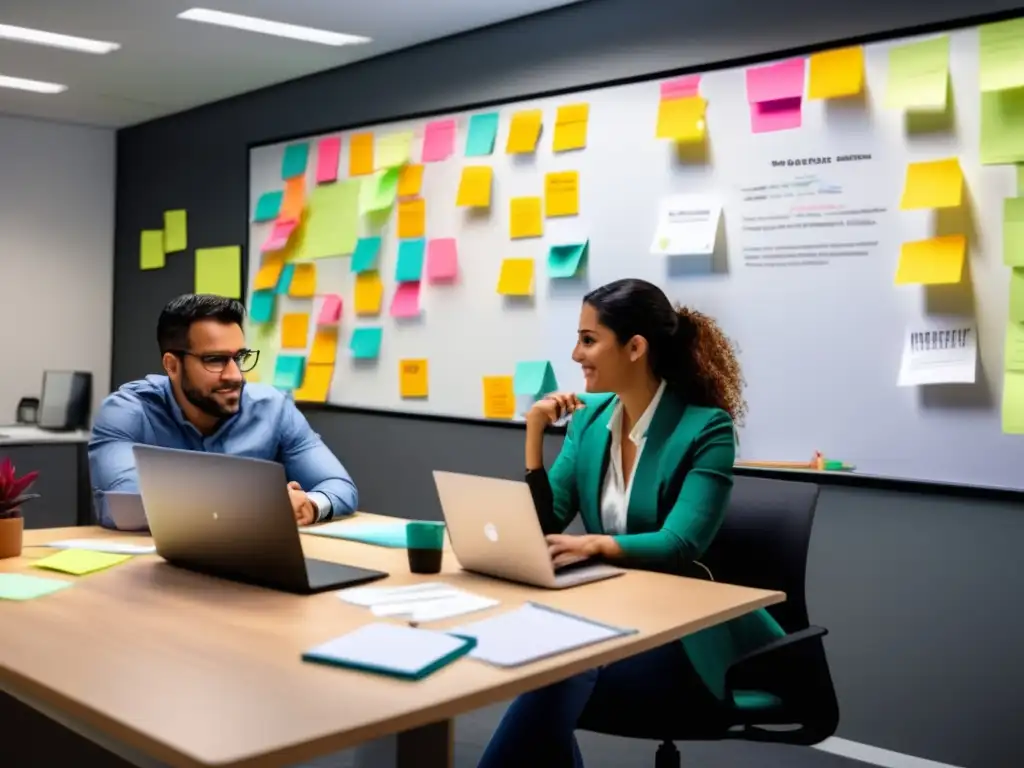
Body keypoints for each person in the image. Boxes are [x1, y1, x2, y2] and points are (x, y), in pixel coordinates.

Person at [477, 278, 785, 768]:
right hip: (608, 620)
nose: (576, 354)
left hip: (678, 636)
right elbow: (546, 521)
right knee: (553, 666)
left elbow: (679, 543)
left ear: (636, 347)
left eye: (588, 339)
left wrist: (597, 547)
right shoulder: (590, 418)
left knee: (558, 667)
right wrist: (534, 438)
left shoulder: (706, 429)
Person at [88, 294, 357, 529]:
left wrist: (309, 504)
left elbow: (338, 485)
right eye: (215, 360)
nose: (235, 376)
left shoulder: (273, 409)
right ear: (172, 365)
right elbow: (125, 502)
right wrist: (263, 504)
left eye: (238, 358)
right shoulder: (127, 412)